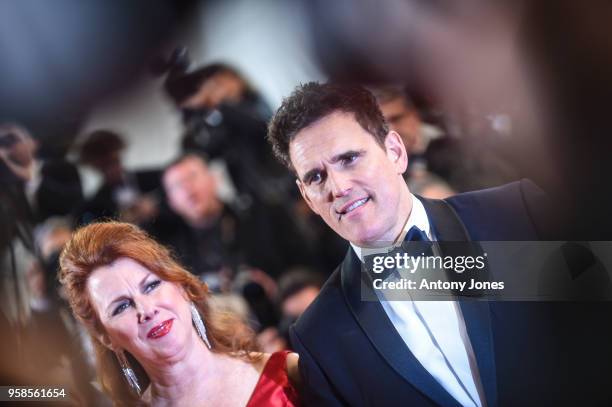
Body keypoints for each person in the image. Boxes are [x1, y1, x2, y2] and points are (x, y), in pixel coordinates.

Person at [267, 82, 612, 406]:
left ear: (395, 151)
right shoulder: (319, 337)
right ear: (308, 199)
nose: (338, 187)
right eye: (316, 176)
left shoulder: (514, 215)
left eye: (349, 158)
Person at [58, 221, 300, 406]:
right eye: (121, 307)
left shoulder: (289, 373)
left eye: (151, 286)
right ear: (106, 337)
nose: (147, 310)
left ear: (182, 287)